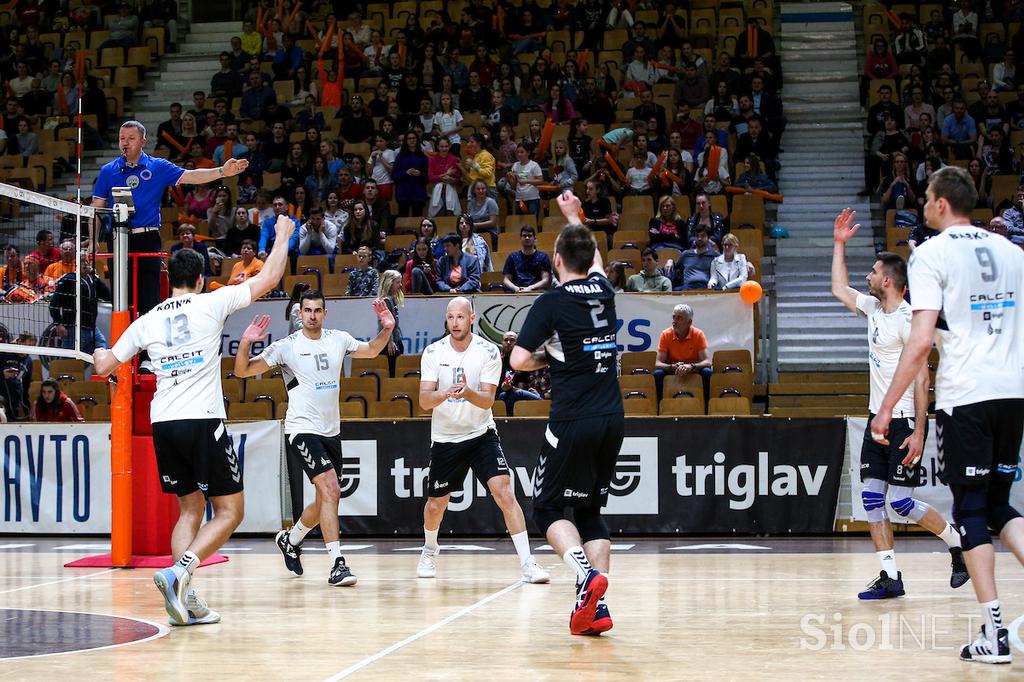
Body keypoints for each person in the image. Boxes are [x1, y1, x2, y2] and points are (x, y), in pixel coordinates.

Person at [91, 214, 296, 627]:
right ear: (201, 279)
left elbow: (105, 366)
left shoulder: (146, 319)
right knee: (230, 512)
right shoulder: (212, 302)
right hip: (202, 419)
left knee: (189, 510)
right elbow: (270, 278)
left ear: (170, 280)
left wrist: (96, 352)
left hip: (163, 424)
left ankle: (185, 598)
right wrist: (283, 236)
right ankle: (179, 572)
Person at [871, 166, 1024, 664]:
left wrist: (888, 406)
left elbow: (919, 343)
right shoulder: (1012, 252)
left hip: (969, 396)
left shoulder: (930, 254)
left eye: (927, 199)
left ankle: (995, 635)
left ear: (939, 204)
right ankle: (995, 632)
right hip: (1013, 392)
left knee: (974, 513)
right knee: (1002, 508)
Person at [832, 208, 968, 601]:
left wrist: (921, 433)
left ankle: (955, 541)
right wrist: (839, 245)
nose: (868, 277)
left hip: (905, 420)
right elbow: (840, 289)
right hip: (878, 418)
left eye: (873, 272)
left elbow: (924, 377)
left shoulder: (909, 319)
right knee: (873, 500)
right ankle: (890, 577)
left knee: (902, 502)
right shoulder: (874, 309)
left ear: (888, 280)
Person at [509, 191, 622, 636]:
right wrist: (574, 216)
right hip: (613, 416)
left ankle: (585, 576)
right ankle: (596, 607)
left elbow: (518, 361)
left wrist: (547, 359)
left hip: (573, 417)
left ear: (555, 260)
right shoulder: (604, 288)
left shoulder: (551, 303)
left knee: (548, 507)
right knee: (590, 509)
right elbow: (593, 257)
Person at [234, 291, 394, 586]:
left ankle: (291, 539)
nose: (312, 315)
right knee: (332, 490)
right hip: (301, 429)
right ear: (299, 313)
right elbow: (241, 371)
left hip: (331, 431)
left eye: (317, 310)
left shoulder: (338, 339)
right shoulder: (287, 347)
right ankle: (337, 564)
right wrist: (246, 341)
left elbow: (371, 350)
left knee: (325, 500)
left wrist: (387, 328)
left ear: (325, 313)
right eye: (307, 310)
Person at [416, 296, 549, 584]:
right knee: (436, 505)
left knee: (505, 492)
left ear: (472, 318)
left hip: (480, 434)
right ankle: (429, 550)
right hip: (445, 437)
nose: (454, 323)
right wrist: (447, 393)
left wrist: (466, 393)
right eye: (450, 317)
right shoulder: (432, 352)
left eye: (460, 317)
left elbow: (488, 400)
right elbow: (424, 401)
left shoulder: (488, 351)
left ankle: (528, 562)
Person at [91, 120, 250, 317]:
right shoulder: (108, 170)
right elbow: (96, 208)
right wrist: (92, 239)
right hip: (117, 240)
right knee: (121, 303)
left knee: (148, 303)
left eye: (131, 138)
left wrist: (222, 172)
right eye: (122, 138)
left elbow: (192, 176)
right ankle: (123, 346)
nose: (125, 143)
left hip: (146, 239)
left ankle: (150, 348)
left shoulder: (157, 167)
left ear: (143, 141)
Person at [50, 253, 110, 354]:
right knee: (70, 360)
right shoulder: (68, 279)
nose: (84, 264)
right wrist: (58, 324)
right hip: (73, 328)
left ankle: (100, 369)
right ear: (76, 264)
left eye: (86, 261)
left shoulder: (92, 279)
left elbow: (107, 295)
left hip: (91, 327)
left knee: (100, 346)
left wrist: (96, 278)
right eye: (81, 261)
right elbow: (54, 304)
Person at [653, 303, 713, 402]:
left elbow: (708, 362)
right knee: (658, 374)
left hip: (693, 370)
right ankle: (660, 407)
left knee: (707, 372)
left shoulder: (698, 334)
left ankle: (706, 407)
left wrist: (691, 366)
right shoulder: (666, 334)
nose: (674, 321)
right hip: (673, 369)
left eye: (679, 318)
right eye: (673, 317)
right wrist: (671, 367)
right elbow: (658, 363)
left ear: (689, 322)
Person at [502, 226, 552, 292]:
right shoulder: (512, 257)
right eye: (524, 236)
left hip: (536, 292)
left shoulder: (543, 257)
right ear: (520, 239)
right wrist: (515, 288)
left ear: (535, 239)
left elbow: (546, 280)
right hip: (516, 293)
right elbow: (506, 279)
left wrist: (531, 288)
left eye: (530, 236)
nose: (527, 238)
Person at [670, 225, 719, 290]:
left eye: (703, 236)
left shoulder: (714, 255)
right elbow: (676, 267)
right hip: (688, 287)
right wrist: (670, 261)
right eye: (697, 236)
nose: (699, 238)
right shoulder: (686, 254)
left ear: (708, 238)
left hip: (706, 287)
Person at [377, 270, 404, 377]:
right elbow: (384, 323)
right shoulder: (386, 301)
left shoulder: (392, 299)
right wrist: (389, 341)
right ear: (390, 283)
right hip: (389, 343)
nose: (400, 285)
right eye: (398, 282)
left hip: (395, 339)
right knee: (392, 372)